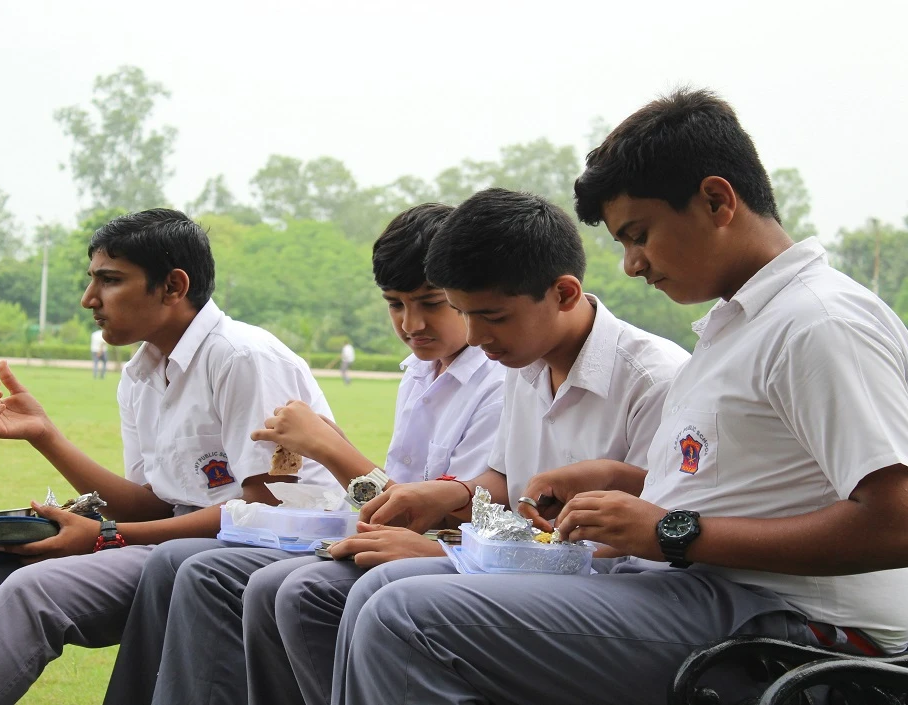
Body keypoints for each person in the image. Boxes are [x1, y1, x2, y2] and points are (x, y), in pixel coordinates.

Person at [332, 89, 908, 705]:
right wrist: (625, 482)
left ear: (716, 200)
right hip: (702, 594)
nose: (630, 265)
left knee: (403, 615)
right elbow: (758, 489)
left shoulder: (818, 324)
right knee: (374, 595)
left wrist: (671, 531)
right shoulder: (744, 325)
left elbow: (906, 526)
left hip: (794, 631)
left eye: (639, 235)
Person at [0, 208, 340, 705]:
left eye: (109, 280)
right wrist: (45, 436)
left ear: (174, 286)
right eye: (92, 279)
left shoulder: (242, 358)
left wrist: (107, 536)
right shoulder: (141, 375)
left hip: (244, 558)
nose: (89, 298)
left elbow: (263, 514)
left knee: (33, 591)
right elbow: (154, 505)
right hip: (171, 544)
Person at [266, 187, 689, 705]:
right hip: (515, 563)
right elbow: (504, 482)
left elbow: (643, 541)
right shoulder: (523, 359)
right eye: (465, 314)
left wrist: (455, 552)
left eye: (492, 315)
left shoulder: (654, 380)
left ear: (564, 293)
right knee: (309, 594)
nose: (475, 335)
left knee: (389, 603)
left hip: (603, 585)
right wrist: (446, 495)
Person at [102, 202, 508, 705]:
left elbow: (437, 518)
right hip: (375, 537)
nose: (411, 323)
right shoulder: (421, 372)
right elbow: (394, 501)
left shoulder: (498, 380)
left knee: (260, 584)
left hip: (447, 555)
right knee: (189, 567)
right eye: (395, 304)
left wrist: (329, 448)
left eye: (431, 303)